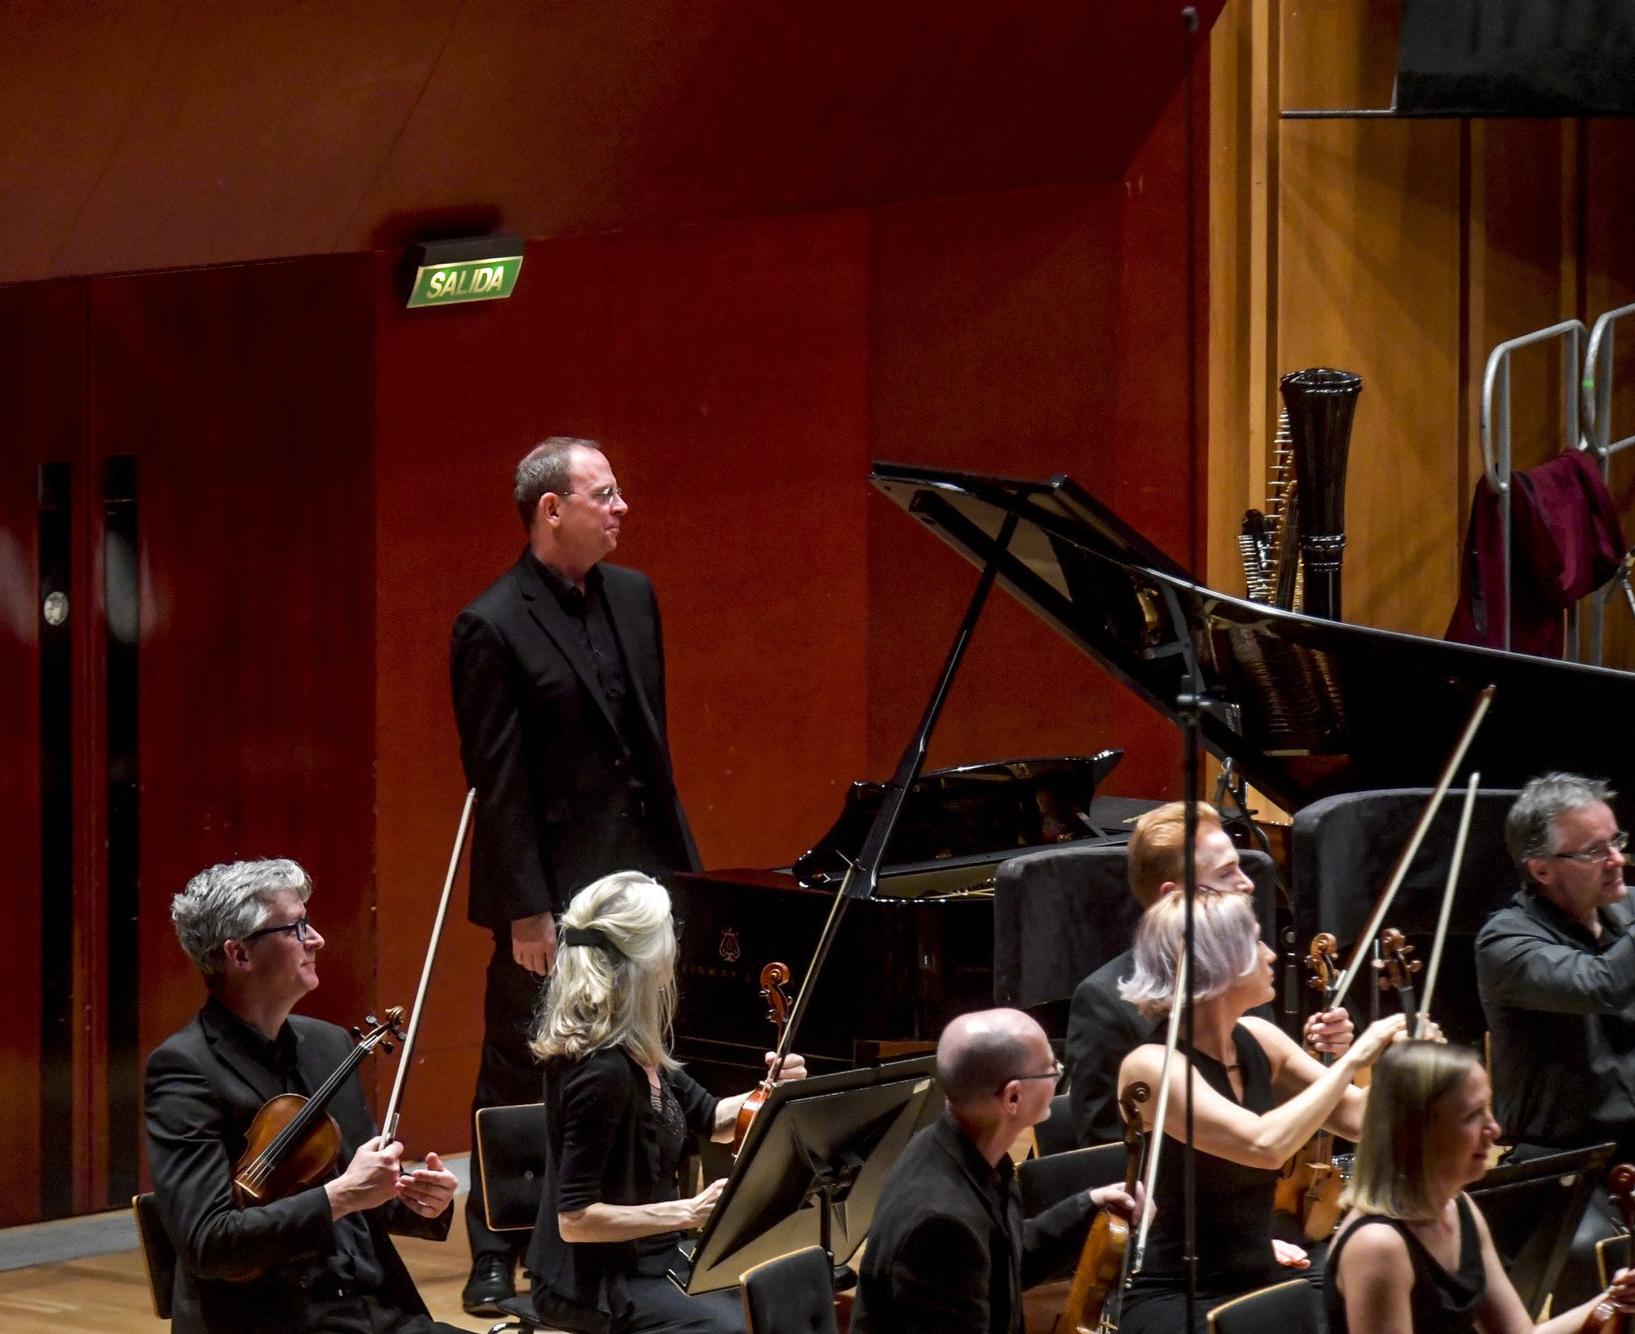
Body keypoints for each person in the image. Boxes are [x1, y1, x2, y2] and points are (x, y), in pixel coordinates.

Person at [452, 436, 701, 1313]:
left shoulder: (635, 598)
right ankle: (494, 1247)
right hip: (553, 891)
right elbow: (500, 784)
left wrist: (683, 877)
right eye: (604, 493)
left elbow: (653, 746)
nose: (621, 506)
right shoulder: (492, 622)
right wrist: (526, 912)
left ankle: (652, 1226)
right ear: (550, 509)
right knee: (520, 1062)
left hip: (642, 874)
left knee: (656, 1052)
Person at [144, 859, 469, 1334]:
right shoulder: (186, 1070)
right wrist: (340, 1196)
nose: (315, 939)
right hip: (279, 1321)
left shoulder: (330, 1045)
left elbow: (361, 1191)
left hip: (377, 1313)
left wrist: (417, 1199)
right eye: (295, 928)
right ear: (239, 954)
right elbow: (209, 1243)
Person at [1113, 890, 1407, 1333]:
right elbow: (1263, 1145)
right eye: (1255, 942)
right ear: (1216, 959)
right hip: (1177, 1291)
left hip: (1261, 1271)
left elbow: (1359, 1120)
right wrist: (1351, 1061)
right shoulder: (1152, 1065)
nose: (1271, 954)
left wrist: (1400, 1063)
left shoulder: (1258, 1038)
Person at [526, 872, 802, 1334]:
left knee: (779, 1296)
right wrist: (689, 1212)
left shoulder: (637, 1048)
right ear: (643, 955)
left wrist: (772, 1091)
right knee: (737, 1326)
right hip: (594, 1281)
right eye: (668, 932)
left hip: (650, 1256)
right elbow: (575, 1220)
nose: (676, 943)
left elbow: (713, 1119)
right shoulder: (603, 1072)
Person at [1476, 772, 1635, 1306]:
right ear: (1542, 869)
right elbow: (1599, 983)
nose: (1617, 860)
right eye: (1595, 851)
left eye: (1617, 842)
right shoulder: (1506, 942)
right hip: (1568, 1167)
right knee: (1592, 1254)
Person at [1066, 801, 1352, 1148]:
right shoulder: (1104, 1001)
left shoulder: (1244, 979)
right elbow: (1102, 1151)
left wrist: (1313, 1057)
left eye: (1241, 868)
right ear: (1176, 898)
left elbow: (1258, 1095)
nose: (1247, 884)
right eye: (1226, 873)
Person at [1323, 1041, 1635, 1333]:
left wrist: (1616, 1298)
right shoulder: (1379, 1247)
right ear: (1418, 1130)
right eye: (1472, 1115)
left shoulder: (1458, 1208)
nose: (1494, 1129)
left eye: (1489, 1108)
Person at [850, 1008, 1139, 1334]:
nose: (1058, 1073)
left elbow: (1005, 1259)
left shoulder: (955, 1148)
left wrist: (1090, 1204)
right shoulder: (941, 1226)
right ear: (1013, 1096)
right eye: (1051, 1070)